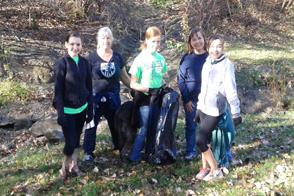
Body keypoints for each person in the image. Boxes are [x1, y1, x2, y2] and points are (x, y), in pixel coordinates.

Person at [194, 34, 242, 181]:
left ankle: (216, 170)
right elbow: (203, 89)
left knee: (200, 141)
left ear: (223, 48)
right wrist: (198, 108)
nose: (215, 50)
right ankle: (205, 168)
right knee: (206, 140)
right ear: (208, 48)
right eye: (213, 46)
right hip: (203, 107)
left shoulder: (227, 65)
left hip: (215, 110)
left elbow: (231, 90)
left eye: (219, 46)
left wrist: (236, 112)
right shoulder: (207, 63)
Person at [83, 27, 130, 163]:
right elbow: (84, 79)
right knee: (91, 124)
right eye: (103, 38)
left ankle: (119, 147)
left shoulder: (117, 57)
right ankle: (88, 152)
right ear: (98, 40)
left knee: (116, 124)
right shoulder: (91, 58)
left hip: (113, 97)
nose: (106, 40)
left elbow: (125, 77)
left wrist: (136, 88)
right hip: (95, 97)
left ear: (112, 39)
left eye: (108, 37)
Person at [53, 31, 93, 181]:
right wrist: (60, 112)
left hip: (82, 109)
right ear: (66, 45)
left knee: (77, 140)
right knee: (70, 142)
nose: (75, 48)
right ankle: (63, 169)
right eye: (72, 44)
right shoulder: (61, 63)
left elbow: (89, 86)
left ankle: (74, 166)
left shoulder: (85, 63)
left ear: (82, 46)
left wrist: (91, 109)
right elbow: (57, 91)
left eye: (78, 44)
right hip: (68, 111)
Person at [129, 26, 167, 162]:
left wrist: (165, 87)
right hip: (144, 99)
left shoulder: (161, 59)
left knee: (154, 128)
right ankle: (134, 156)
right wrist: (148, 90)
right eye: (153, 42)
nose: (155, 45)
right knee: (144, 129)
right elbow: (133, 83)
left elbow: (160, 78)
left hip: (157, 98)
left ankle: (149, 155)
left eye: (158, 42)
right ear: (147, 40)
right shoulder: (140, 59)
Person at [178, 28, 208, 160]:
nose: (197, 42)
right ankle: (190, 150)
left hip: (208, 99)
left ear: (204, 39)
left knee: (207, 127)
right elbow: (180, 79)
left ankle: (207, 150)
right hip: (191, 100)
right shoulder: (186, 58)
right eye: (194, 39)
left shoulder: (210, 57)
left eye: (199, 38)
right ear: (190, 42)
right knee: (191, 125)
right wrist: (186, 99)